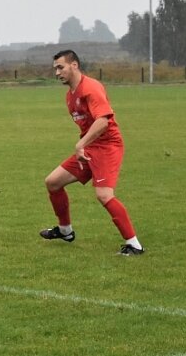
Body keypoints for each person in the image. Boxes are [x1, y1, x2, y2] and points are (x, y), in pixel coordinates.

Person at [39, 50, 144, 255]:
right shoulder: (70, 95)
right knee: (53, 182)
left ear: (74, 65)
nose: (57, 72)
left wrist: (81, 145)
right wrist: (84, 145)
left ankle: (134, 244)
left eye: (61, 67)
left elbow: (103, 121)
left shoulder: (91, 88)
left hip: (107, 146)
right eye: (55, 69)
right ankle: (65, 230)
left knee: (104, 195)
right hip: (90, 147)